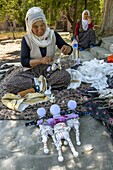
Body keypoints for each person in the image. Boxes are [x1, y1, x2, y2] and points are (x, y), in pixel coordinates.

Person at [4, 7, 72, 94]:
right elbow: (24, 61)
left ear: (45, 23)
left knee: (65, 76)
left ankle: (38, 87)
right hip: (32, 72)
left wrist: (67, 48)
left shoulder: (52, 35)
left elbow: (68, 49)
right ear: (30, 27)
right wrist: (40, 61)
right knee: (10, 84)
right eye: (35, 27)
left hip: (49, 70)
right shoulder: (27, 39)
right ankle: (42, 85)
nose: (40, 30)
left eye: (42, 25)